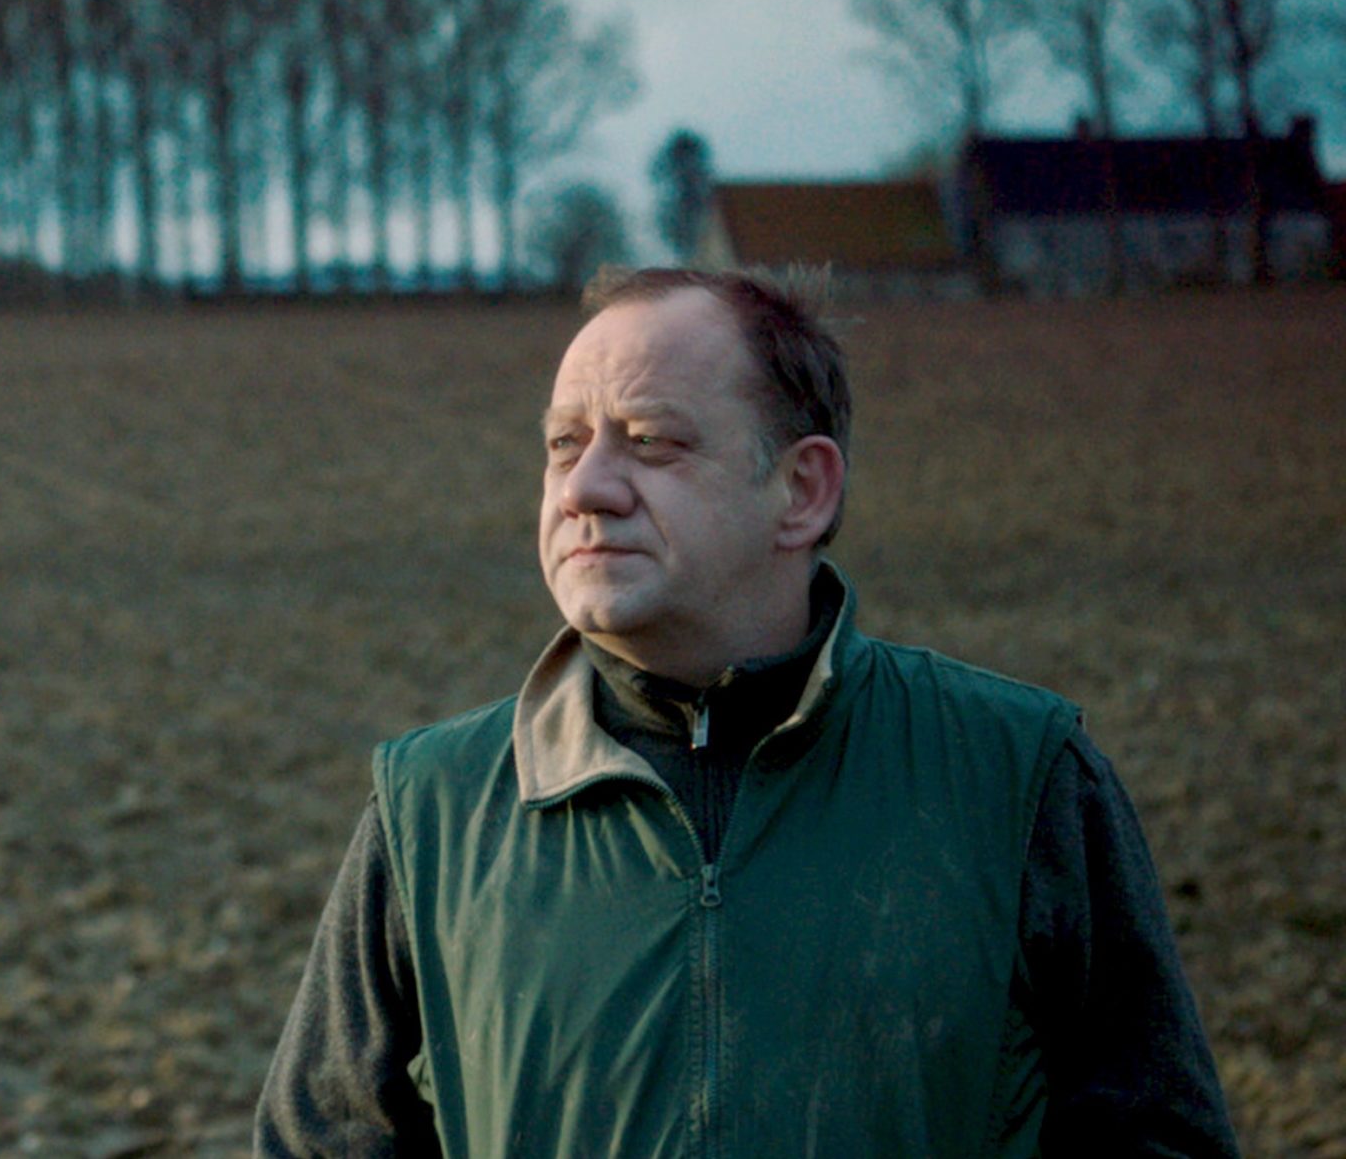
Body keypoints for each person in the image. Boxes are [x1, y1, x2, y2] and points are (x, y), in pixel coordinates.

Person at [255, 267, 1238, 1158]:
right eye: (563, 444)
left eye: (650, 441)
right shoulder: (431, 808)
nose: (585, 487)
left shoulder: (1016, 776)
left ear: (802, 490)